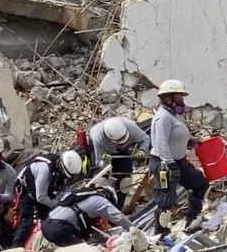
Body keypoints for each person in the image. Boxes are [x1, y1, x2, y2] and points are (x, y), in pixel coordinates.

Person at [149, 79, 209, 234]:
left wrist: (192, 140)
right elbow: (161, 142)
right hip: (164, 163)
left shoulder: (174, 115)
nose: (182, 101)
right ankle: (160, 231)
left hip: (178, 161)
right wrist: (169, 163)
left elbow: (179, 134)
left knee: (199, 183)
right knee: (166, 198)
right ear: (168, 98)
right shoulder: (163, 118)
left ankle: (192, 219)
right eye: (179, 97)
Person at [13, 149, 83, 248]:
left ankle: (43, 245)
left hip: (43, 192)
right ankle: (16, 249)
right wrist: (58, 204)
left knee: (49, 219)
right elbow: (41, 197)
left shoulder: (57, 168)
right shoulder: (44, 170)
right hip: (28, 193)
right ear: (61, 167)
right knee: (27, 224)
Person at [88, 116, 151, 209]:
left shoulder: (129, 125)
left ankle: (118, 207)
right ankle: (99, 206)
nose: (121, 143)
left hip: (121, 151)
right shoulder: (98, 138)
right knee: (99, 180)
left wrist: (142, 150)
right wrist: (105, 162)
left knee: (125, 181)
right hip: (103, 151)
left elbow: (145, 139)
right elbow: (99, 162)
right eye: (119, 142)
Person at [41, 186, 133, 247]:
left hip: (46, 225)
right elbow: (119, 217)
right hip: (60, 228)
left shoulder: (80, 196)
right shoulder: (100, 200)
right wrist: (135, 231)